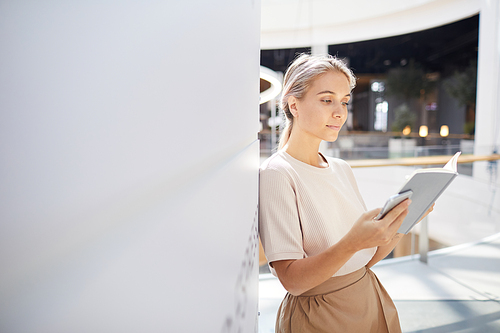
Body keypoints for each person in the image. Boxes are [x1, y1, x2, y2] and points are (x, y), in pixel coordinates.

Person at [259, 54, 433, 333]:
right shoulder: (277, 174)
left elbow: (364, 259)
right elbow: (292, 280)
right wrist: (352, 242)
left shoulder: (341, 168)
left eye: (344, 101)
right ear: (294, 104)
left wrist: (403, 221)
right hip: (320, 316)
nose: (340, 113)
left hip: (368, 299)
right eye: (327, 100)